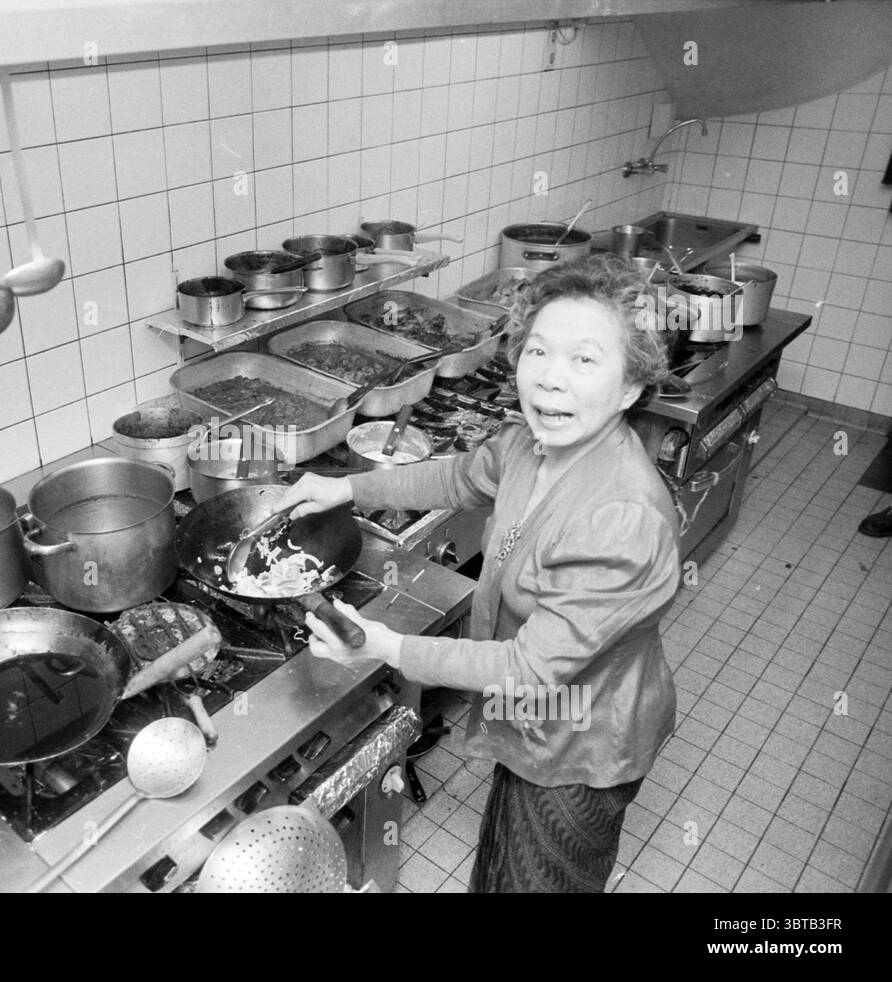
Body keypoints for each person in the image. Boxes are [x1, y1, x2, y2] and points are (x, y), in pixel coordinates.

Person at [279, 254, 681, 892]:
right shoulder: (535, 443)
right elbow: (461, 474)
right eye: (538, 352)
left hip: (579, 737)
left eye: (584, 360)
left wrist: (388, 649)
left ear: (630, 387)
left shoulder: (621, 518)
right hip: (529, 718)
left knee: (544, 877)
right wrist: (343, 489)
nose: (549, 380)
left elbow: (528, 669)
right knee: (504, 866)